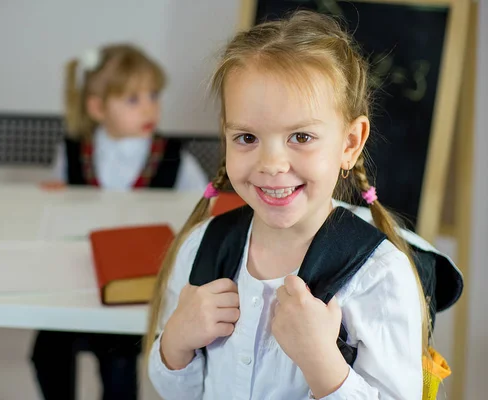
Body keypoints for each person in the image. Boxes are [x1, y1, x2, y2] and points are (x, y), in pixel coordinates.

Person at [144, 10, 444, 399]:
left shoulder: (379, 277)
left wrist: (322, 363)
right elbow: (178, 391)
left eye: (301, 137)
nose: (271, 164)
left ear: (350, 143)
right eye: (247, 138)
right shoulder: (202, 247)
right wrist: (176, 343)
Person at [32, 43, 208, 400]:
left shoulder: (175, 159)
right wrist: (56, 190)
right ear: (97, 108)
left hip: (134, 283)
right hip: (74, 279)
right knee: (46, 353)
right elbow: (61, 198)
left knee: (119, 363)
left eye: (153, 95)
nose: (150, 107)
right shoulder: (72, 151)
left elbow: (199, 209)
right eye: (133, 100)